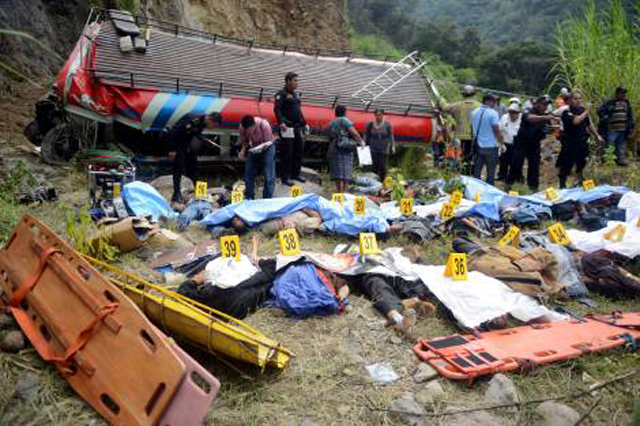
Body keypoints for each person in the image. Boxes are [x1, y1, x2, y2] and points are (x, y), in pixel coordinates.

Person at [169, 112, 222, 204]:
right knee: (178, 170)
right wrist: (172, 149)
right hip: (177, 144)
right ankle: (176, 195)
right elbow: (173, 132)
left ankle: (201, 192)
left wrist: (204, 140)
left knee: (193, 168)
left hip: (186, 144)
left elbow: (194, 133)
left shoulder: (203, 123)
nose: (213, 128)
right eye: (214, 125)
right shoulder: (193, 119)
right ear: (210, 120)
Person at [506, 96, 556, 192]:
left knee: (534, 166)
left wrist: (553, 128)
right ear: (537, 104)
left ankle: (533, 187)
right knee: (516, 164)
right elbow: (529, 118)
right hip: (522, 142)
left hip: (534, 144)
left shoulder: (546, 116)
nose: (545, 106)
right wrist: (545, 117)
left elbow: (548, 130)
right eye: (543, 104)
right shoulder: (528, 110)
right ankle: (509, 184)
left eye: (547, 105)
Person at [557, 91, 603, 188]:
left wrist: (597, 135)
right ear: (570, 100)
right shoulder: (566, 112)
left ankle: (579, 181)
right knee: (567, 163)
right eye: (575, 98)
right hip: (570, 142)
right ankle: (562, 184)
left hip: (582, 141)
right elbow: (576, 121)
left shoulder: (582, 110)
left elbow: (589, 124)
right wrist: (587, 111)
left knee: (581, 163)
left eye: (580, 98)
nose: (578, 101)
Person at [274, 72, 307, 185]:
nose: (297, 83)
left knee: (298, 150)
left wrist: (304, 123)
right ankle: (285, 177)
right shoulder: (281, 94)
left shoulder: (296, 95)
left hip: (297, 126)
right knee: (287, 152)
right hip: (286, 127)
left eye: (297, 80)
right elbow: (277, 109)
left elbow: (299, 111)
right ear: (288, 81)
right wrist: (281, 122)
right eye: (295, 80)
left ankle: (295, 174)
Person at [441, 85, 481, 175]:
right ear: (473, 95)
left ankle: (462, 173)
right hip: (475, 136)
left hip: (461, 136)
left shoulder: (458, 105)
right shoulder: (479, 106)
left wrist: (441, 99)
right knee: (473, 156)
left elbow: (445, 107)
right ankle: (472, 173)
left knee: (461, 155)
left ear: (463, 95)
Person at [327, 105, 364, 193]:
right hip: (345, 149)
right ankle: (345, 192)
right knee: (346, 170)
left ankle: (339, 191)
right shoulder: (344, 120)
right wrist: (361, 142)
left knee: (337, 171)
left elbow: (329, 136)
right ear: (344, 112)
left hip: (334, 148)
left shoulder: (331, 122)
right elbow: (354, 133)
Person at [238, 115, 276, 200]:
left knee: (268, 172)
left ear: (254, 125)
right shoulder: (242, 127)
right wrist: (243, 151)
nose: (249, 132)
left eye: (251, 129)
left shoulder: (264, 125)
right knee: (249, 171)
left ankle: (266, 199)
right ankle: (249, 196)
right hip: (253, 148)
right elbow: (245, 142)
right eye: (247, 130)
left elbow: (268, 142)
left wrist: (259, 149)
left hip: (267, 147)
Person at [598, 87, 635, 166]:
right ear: (617, 94)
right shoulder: (610, 102)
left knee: (621, 144)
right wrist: (605, 118)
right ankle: (608, 159)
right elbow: (600, 110)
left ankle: (620, 159)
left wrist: (631, 126)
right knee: (610, 143)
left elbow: (630, 116)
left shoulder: (626, 103)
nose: (623, 95)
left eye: (624, 93)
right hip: (612, 128)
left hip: (623, 128)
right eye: (621, 93)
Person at [470, 93, 502, 185]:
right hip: (491, 146)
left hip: (478, 145)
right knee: (490, 172)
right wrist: (501, 142)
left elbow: (472, 129)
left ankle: (475, 189)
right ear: (487, 101)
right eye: (493, 101)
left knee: (477, 171)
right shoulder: (493, 113)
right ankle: (489, 190)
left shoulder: (474, 112)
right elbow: (496, 129)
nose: (495, 103)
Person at [365, 109, 395, 181]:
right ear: (374, 115)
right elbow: (366, 136)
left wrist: (393, 146)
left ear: (383, 115)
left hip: (384, 149)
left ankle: (383, 184)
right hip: (373, 149)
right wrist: (364, 146)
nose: (378, 117)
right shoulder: (370, 124)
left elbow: (391, 136)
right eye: (377, 115)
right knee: (374, 167)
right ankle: (374, 182)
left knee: (383, 167)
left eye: (380, 115)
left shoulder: (388, 124)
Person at [497, 103, 522, 181]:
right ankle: (502, 176)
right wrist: (501, 143)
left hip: (517, 144)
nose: (512, 115)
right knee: (503, 161)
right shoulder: (504, 117)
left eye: (514, 113)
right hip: (505, 143)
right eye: (510, 112)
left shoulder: (522, 119)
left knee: (516, 162)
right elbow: (499, 129)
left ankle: (517, 177)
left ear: (518, 113)